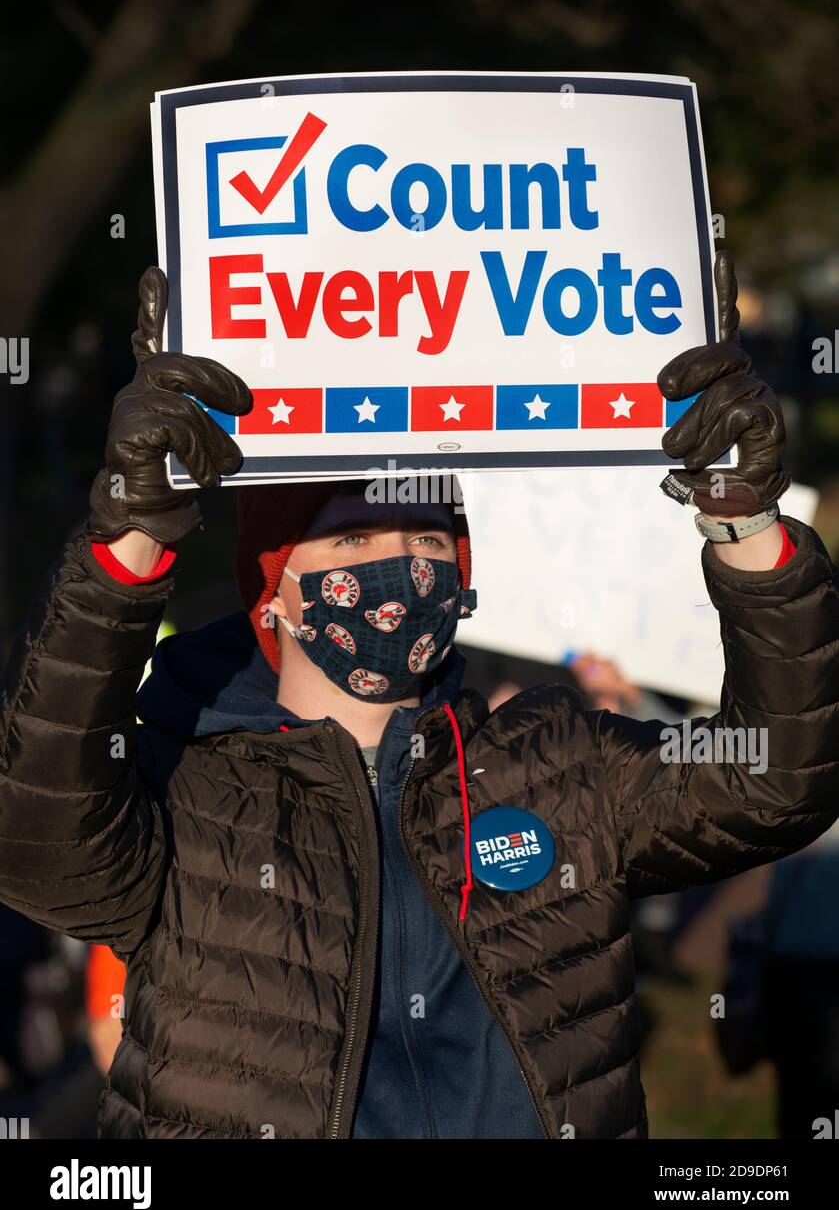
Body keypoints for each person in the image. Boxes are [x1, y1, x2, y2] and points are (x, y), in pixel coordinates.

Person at [0, 251, 837, 1141]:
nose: (398, 563)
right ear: (273, 592)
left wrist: (744, 523)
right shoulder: (181, 788)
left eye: (426, 535)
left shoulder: (553, 763)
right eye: (353, 536)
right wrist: (130, 535)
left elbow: (776, 779)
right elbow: (37, 836)